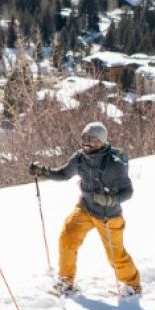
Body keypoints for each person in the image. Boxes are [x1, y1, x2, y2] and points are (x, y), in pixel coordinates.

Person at [28, 121, 142, 296]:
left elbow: (128, 191)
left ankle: (132, 285)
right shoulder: (80, 158)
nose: (87, 143)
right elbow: (64, 174)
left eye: (92, 139)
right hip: (85, 208)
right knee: (67, 239)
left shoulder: (114, 163)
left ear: (102, 141)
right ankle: (66, 281)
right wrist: (44, 172)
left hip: (109, 216)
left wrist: (111, 200)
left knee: (115, 255)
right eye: (84, 138)